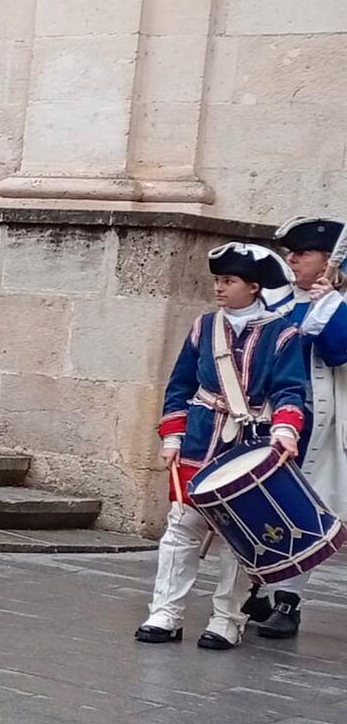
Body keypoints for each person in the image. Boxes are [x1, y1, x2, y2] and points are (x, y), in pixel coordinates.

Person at [134, 242, 307, 651]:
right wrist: (173, 435)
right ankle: (165, 613)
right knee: (181, 528)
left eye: (228, 280)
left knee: (240, 538)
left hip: (252, 447)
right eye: (217, 280)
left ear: (253, 286)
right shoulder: (204, 327)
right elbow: (180, 385)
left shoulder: (283, 333)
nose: (219, 288)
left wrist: (285, 431)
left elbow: (289, 390)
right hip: (200, 441)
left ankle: (227, 620)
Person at [256, 217, 347, 638]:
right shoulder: (280, 303)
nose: (292, 260)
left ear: (329, 261)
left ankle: (287, 602)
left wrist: (329, 305)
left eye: (303, 253)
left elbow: (338, 350)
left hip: (323, 430)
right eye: (290, 253)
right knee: (260, 508)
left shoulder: (337, 305)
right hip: (274, 420)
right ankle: (257, 589)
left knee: (306, 515)